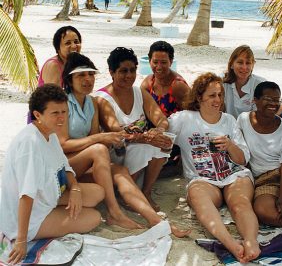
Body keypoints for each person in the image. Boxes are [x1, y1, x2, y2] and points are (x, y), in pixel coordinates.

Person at [60, 52, 189, 238]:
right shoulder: (63, 103)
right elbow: (62, 145)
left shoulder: (91, 103)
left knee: (120, 171)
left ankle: (157, 221)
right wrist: (99, 140)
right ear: (69, 79)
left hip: (87, 163)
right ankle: (114, 211)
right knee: (99, 149)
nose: (88, 79)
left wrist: (155, 133)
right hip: (64, 165)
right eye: (81, 75)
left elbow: (95, 135)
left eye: (90, 74)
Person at [0, 84, 104, 265]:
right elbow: (26, 195)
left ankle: (61, 210)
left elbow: (65, 167)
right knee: (93, 217)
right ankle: (38, 226)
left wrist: (76, 189)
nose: (62, 118)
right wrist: (22, 240)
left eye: (64, 111)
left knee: (97, 192)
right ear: (37, 115)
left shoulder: (50, 134)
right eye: (55, 113)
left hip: (47, 197)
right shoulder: (30, 144)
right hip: (28, 215)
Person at [168, 73, 260, 263]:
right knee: (199, 200)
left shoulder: (229, 121)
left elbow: (242, 160)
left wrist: (230, 145)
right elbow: (164, 134)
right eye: (211, 95)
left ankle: (251, 241)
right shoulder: (184, 119)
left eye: (219, 95)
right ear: (199, 96)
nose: (217, 100)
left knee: (239, 204)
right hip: (203, 179)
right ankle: (230, 243)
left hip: (234, 174)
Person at [97, 47, 173, 212]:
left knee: (164, 142)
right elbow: (118, 132)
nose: (129, 75)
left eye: (132, 70)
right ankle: (125, 194)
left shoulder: (139, 93)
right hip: (117, 152)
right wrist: (148, 138)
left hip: (139, 146)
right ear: (111, 72)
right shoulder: (103, 99)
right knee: (145, 147)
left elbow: (160, 118)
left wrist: (159, 130)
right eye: (123, 71)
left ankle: (145, 192)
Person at [237, 81, 282, 228]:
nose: (273, 103)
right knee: (263, 211)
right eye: (268, 99)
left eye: (277, 100)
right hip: (264, 179)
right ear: (255, 100)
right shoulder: (243, 120)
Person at [141, 41, 191, 175]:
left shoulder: (178, 86)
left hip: (174, 139)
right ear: (149, 60)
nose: (158, 66)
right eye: (155, 62)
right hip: (154, 133)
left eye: (163, 62)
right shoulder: (148, 82)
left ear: (171, 61)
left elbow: (193, 115)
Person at [223, 45, 265, 119]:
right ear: (231, 65)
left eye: (248, 63)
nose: (244, 67)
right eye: (240, 62)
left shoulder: (261, 84)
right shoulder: (221, 83)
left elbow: (260, 115)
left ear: (253, 65)